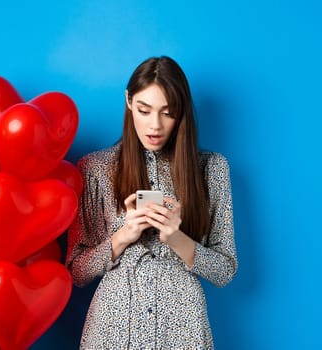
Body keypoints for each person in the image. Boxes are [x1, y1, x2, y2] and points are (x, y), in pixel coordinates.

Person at [66, 56, 237, 349]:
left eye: (167, 113)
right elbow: (76, 272)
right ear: (129, 101)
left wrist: (177, 238)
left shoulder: (211, 169)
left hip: (183, 331)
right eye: (144, 110)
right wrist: (123, 237)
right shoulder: (95, 168)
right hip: (113, 330)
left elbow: (225, 271)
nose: (154, 125)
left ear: (181, 112)